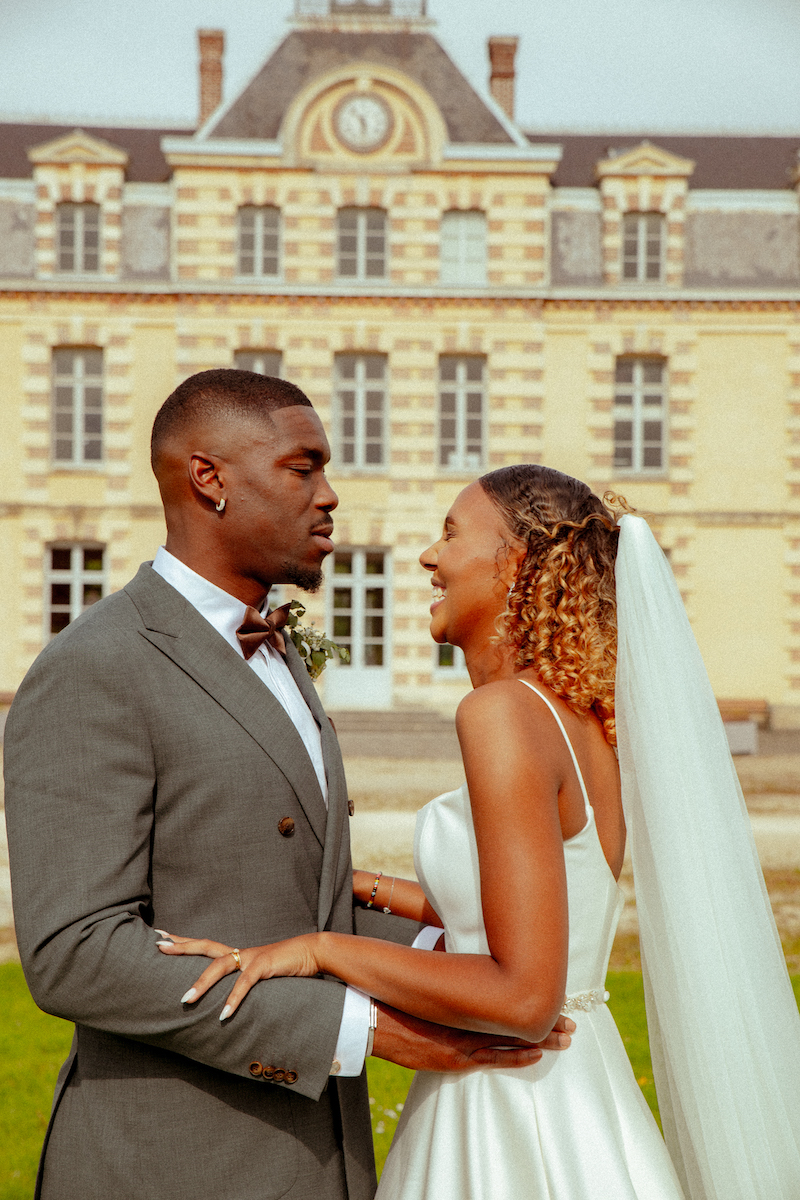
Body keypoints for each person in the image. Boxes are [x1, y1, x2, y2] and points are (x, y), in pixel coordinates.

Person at [160, 463, 800, 1200]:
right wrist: (353, 885)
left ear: (516, 564)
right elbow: (518, 912)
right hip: (579, 1087)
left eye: (451, 535)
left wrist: (321, 948)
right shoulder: (584, 722)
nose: (431, 558)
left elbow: (523, 998)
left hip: (510, 1108)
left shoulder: (501, 716)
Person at [3, 375, 569, 1200]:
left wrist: (467, 962)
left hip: (318, 1155)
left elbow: (297, 890)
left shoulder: (278, 651)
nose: (330, 496)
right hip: (176, 1163)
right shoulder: (95, 667)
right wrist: (361, 1028)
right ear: (211, 480)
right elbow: (75, 954)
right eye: (303, 468)